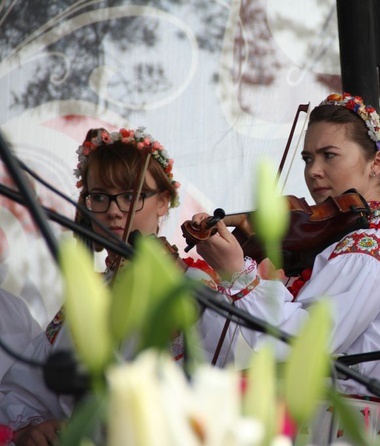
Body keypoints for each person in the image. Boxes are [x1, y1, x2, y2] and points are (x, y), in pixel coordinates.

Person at [191, 92, 380, 444]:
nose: (313, 171)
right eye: (308, 158)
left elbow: (305, 343)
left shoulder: (370, 248)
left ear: (376, 162)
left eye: (330, 155)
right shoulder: (359, 239)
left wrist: (240, 273)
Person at [0, 127, 230, 446]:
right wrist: (32, 428)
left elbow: (229, 375)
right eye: (99, 197)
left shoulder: (195, 285)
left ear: (164, 202)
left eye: (129, 196)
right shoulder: (86, 298)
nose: (113, 210)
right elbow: (23, 389)